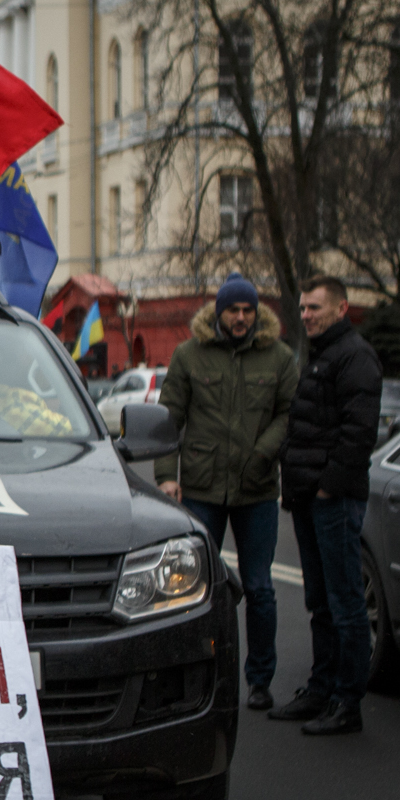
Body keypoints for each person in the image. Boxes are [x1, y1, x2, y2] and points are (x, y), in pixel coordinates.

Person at [153, 273, 298, 712]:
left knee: (259, 588)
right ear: (219, 313)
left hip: (256, 491)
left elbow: (289, 413)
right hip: (201, 489)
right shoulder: (189, 355)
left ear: (257, 313)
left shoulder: (279, 358)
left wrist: (264, 453)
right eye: (233, 310)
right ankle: (193, 675)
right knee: (191, 590)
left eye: (247, 310)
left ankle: (259, 679)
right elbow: (166, 418)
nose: (240, 318)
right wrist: (166, 475)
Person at [272, 275, 383, 736]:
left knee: (345, 604)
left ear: (341, 309)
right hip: (307, 497)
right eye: (301, 308)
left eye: (314, 308)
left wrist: (326, 488)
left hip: (331, 501)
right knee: (319, 602)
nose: (305, 315)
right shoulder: (321, 355)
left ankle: (346, 701)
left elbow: (359, 434)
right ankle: (321, 689)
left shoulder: (355, 356)